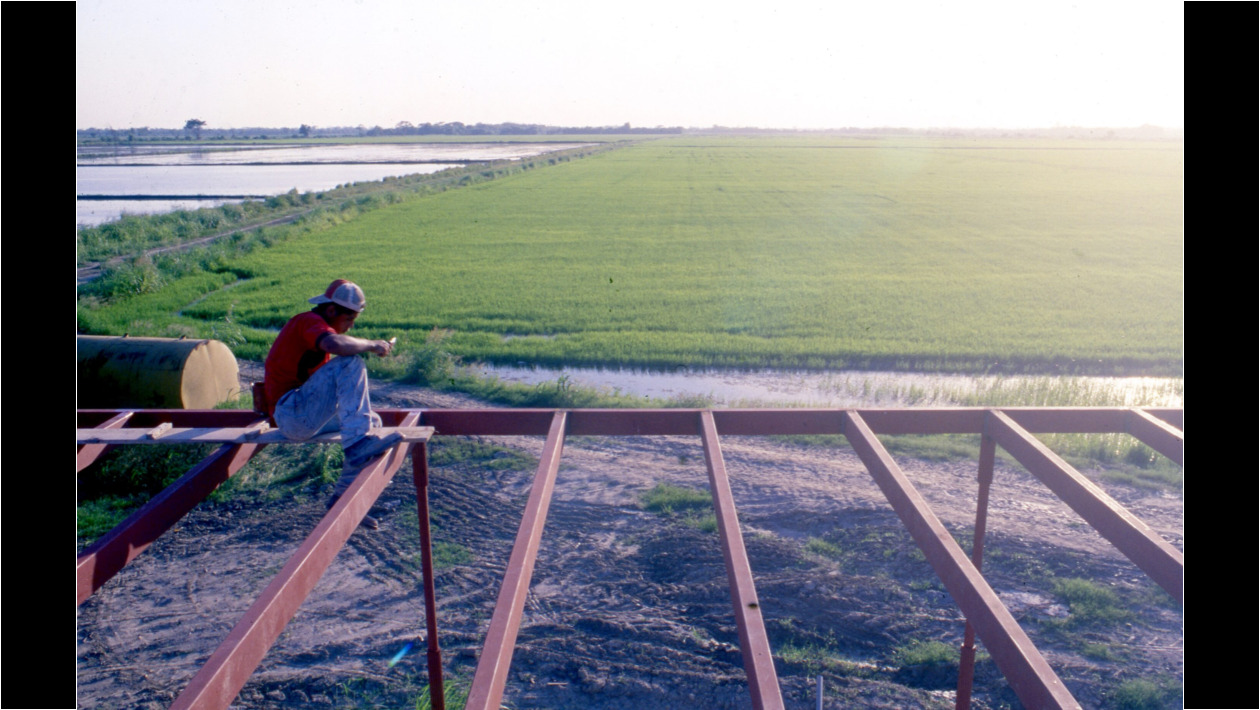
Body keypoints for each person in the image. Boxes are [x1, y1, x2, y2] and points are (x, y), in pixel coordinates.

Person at [263, 279, 398, 529]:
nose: (349, 327)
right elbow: (335, 345)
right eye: (349, 320)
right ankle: (357, 444)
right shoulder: (309, 322)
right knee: (351, 362)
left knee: (372, 422)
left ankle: (342, 497)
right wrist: (371, 345)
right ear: (332, 310)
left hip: (300, 416)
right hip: (290, 413)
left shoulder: (319, 329)